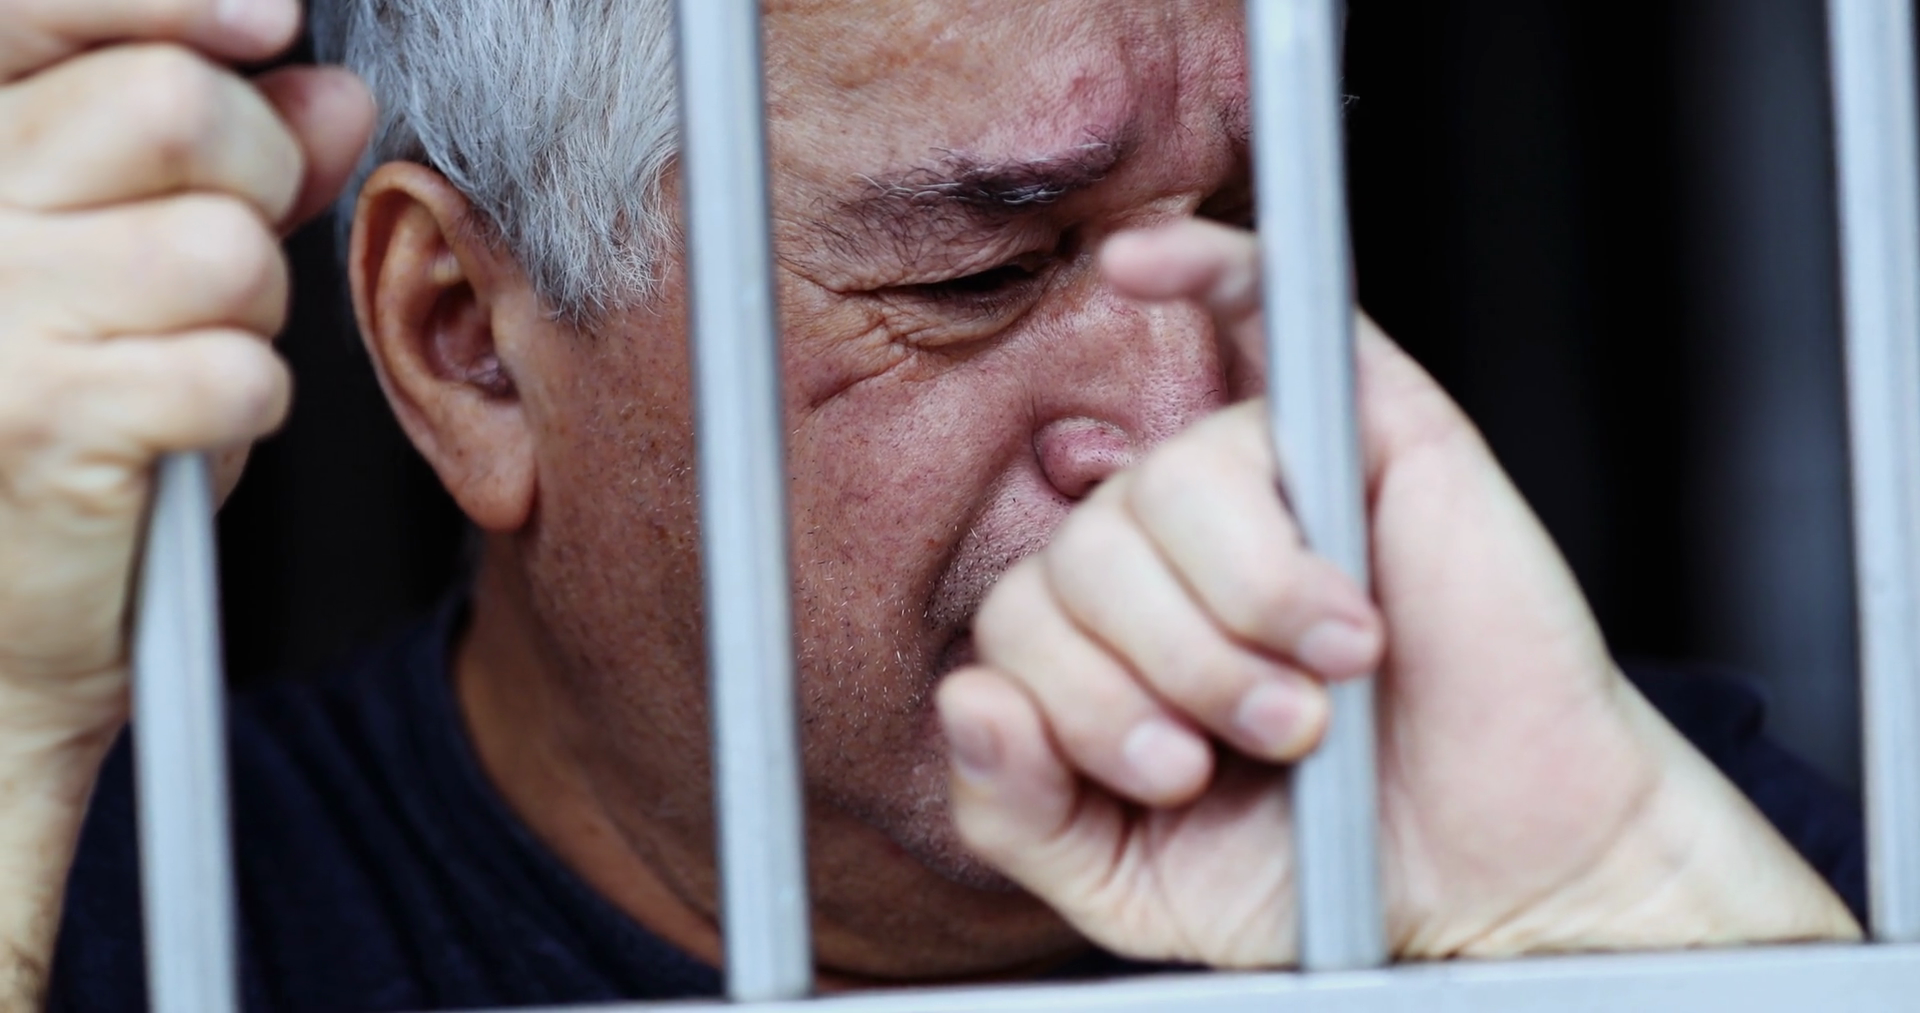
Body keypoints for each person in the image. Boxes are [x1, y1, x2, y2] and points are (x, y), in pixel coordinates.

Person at [0, 0, 1865, 1010]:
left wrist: (1617, 919)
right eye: (980, 278)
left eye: (1250, 226)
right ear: (465, 345)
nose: (1194, 420)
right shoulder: (121, 916)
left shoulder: (1621, 819)